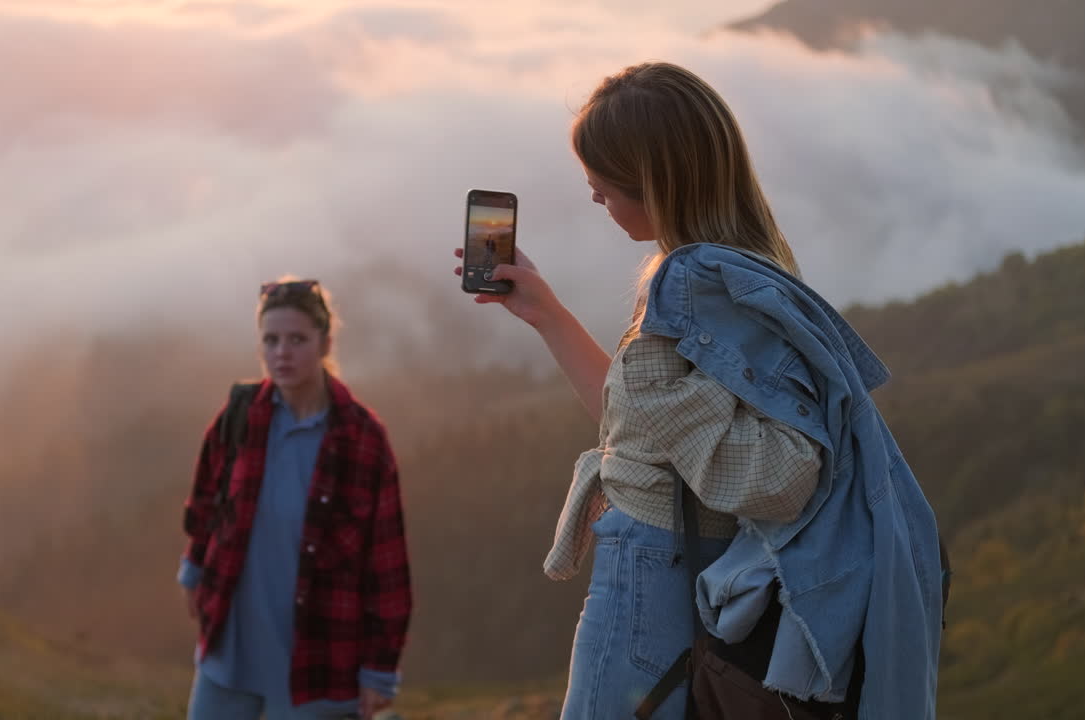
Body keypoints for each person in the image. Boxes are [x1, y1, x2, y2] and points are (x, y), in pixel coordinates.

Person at [454, 62, 942, 720]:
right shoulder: (738, 270)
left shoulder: (695, 283)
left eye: (604, 182)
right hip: (679, 566)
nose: (594, 195)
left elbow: (785, 471)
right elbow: (649, 435)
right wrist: (547, 314)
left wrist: (662, 393)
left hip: (655, 574)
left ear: (655, 180)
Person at [178, 278, 412, 720]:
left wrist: (379, 673)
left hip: (319, 663)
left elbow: (387, 566)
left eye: (297, 339)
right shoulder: (241, 415)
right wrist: (193, 569)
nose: (282, 352)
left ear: (325, 343)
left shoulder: (362, 440)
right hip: (232, 652)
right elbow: (208, 499)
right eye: (271, 340)